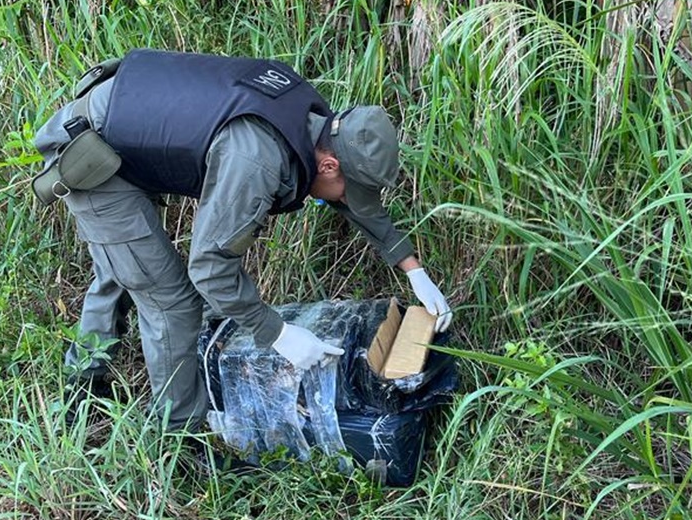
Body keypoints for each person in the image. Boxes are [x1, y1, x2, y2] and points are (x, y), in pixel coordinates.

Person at [34, 49, 452, 431]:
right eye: (349, 190)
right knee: (169, 300)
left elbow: (358, 205)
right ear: (328, 163)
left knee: (126, 263)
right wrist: (278, 333)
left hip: (120, 121)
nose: (348, 202)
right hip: (92, 153)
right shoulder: (256, 158)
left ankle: (81, 387)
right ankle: (177, 435)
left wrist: (412, 269)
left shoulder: (314, 121)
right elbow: (210, 268)